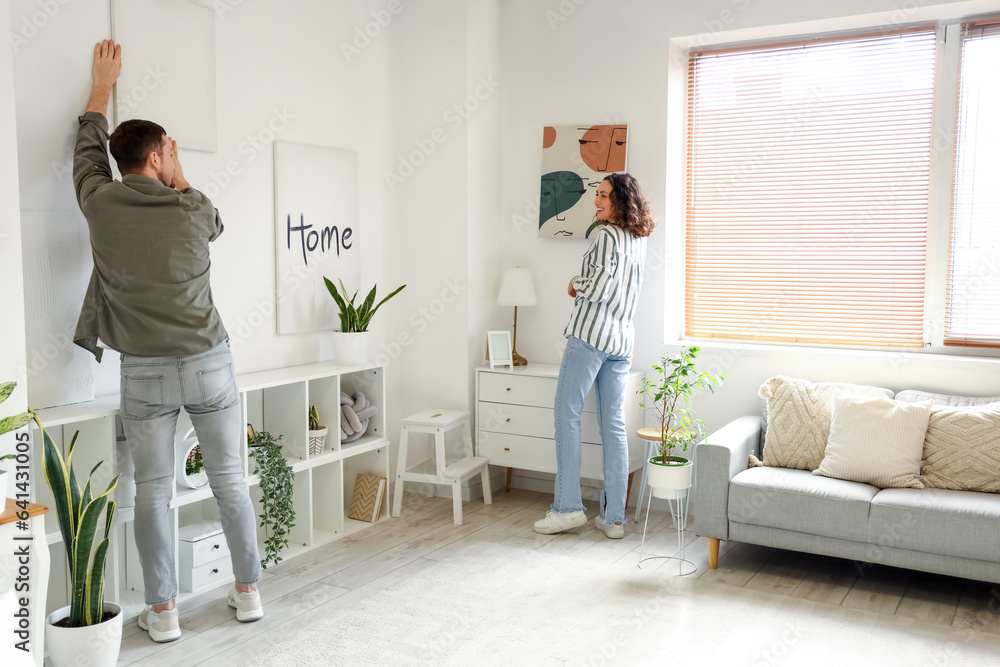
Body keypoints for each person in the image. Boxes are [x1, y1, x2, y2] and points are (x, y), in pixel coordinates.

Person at [72, 40, 263, 642]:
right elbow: (217, 222)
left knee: (152, 492)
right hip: (208, 361)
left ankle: (163, 612)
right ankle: (248, 593)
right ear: (157, 157)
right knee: (230, 480)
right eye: (169, 152)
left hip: (145, 370)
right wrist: (179, 176)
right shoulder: (191, 208)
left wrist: (101, 87)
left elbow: (85, 154)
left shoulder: (99, 202)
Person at [533, 172, 657, 538]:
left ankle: (567, 507)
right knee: (613, 425)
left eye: (603, 195)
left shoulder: (604, 236)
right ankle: (614, 517)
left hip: (589, 337)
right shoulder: (638, 239)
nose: (596, 201)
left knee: (565, 415)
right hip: (621, 341)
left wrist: (575, 284)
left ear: (620, 199)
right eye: (597, 194)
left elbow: (598, 288)